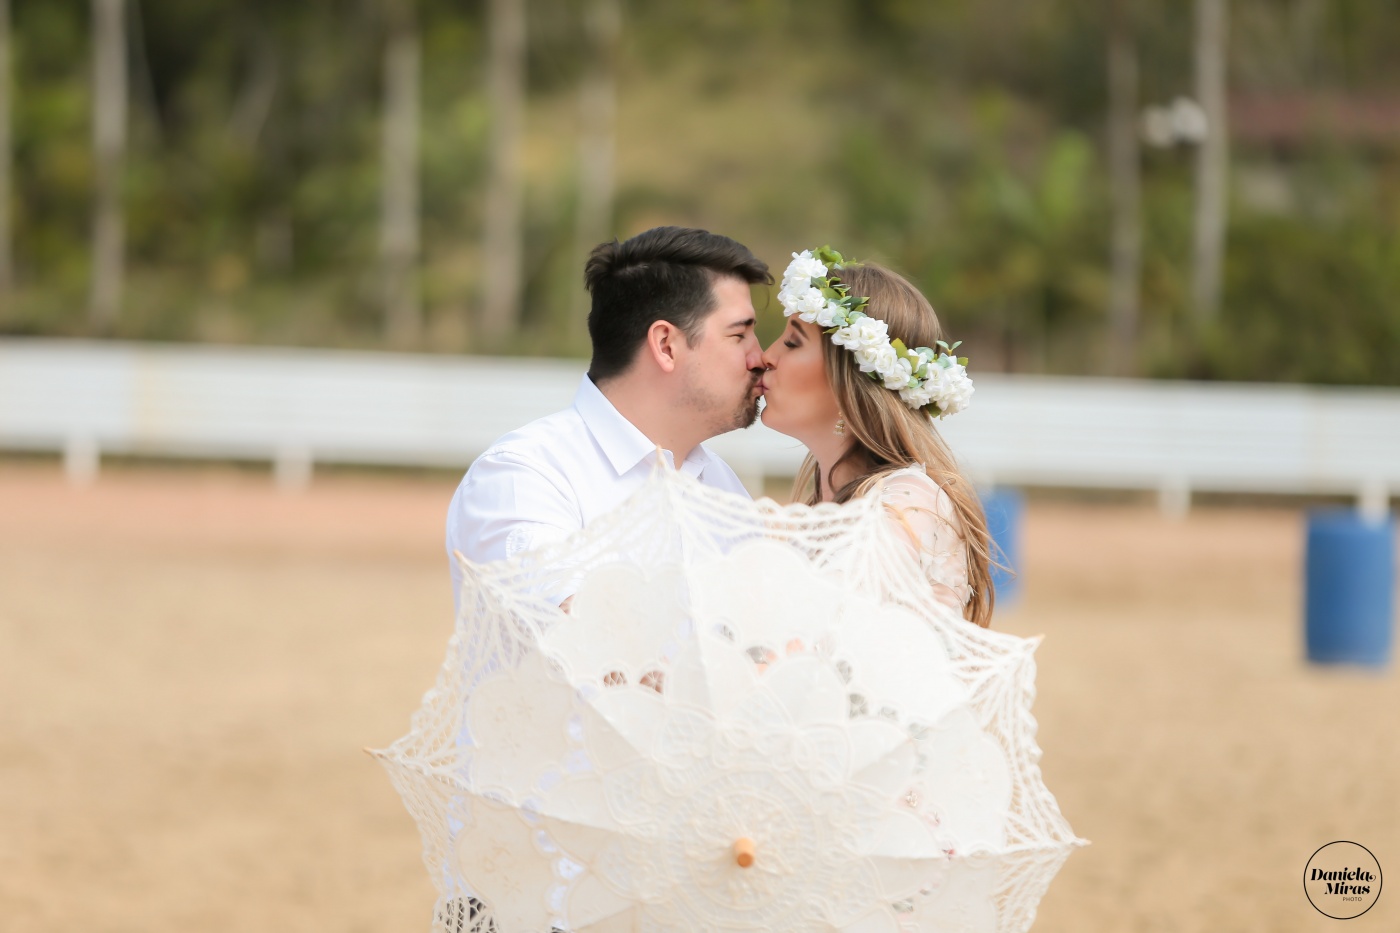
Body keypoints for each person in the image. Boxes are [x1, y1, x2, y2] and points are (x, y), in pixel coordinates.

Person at [445, 225, 772, 605]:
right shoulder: (526, 475)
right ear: (666, 345)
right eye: (738, 336)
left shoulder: (722, 484)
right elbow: (582, 633)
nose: (760, 357)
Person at [758, 248, 996, 627]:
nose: (766, 356)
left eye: (792, 342)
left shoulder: (903, 506)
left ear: (847, 379)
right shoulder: (831, 503)